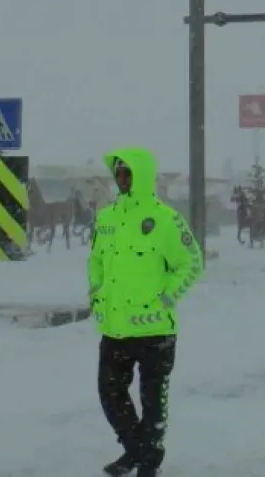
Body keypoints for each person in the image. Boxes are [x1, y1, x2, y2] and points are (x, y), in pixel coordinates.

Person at [88, 147, 205, 477]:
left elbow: (192, 263)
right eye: (118, 173)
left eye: (128, 173)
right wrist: (96, 293)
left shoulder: (165, 219)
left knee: (153, 402)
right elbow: (96, 261)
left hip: (155, 330)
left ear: (141, 176)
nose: (121, 179)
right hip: (115, 328)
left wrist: (168, 297)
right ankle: (138, 451)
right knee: (110, 395)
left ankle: (147, 465)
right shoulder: (106, 218)